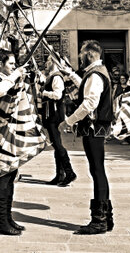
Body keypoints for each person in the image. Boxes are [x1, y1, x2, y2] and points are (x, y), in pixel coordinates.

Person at [58, 40, 114, 235]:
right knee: (97, 170)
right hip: (95, 129)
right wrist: (70, 74)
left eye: (82, 54)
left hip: (94, 128)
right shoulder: (96, 73)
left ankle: (100, 220)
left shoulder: (96, 75)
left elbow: (90, 102)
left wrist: (69, 121)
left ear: (89, 55)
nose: (79, 57)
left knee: (97, 170)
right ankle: (106, 217)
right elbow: (85, 87)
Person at [0, 49, 27, 235]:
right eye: (11, 63)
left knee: (11, 173)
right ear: (1, 64)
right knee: (3, 173)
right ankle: (1, 222)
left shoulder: (10, 78)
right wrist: (15, 76)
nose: (14, 66)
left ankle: (8, 217)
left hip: (11, 133)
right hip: (0, 134)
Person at [40, 55, 76, 186]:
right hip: (51, 114)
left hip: (54, 115)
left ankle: (69, 171)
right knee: (56, 145)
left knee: (57, 145)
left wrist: (44, 93)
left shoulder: (56, 77)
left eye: (48, 60)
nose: (45, 63)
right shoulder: (51, 76)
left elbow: (58, 95)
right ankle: (60, 175)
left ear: (53, 62)